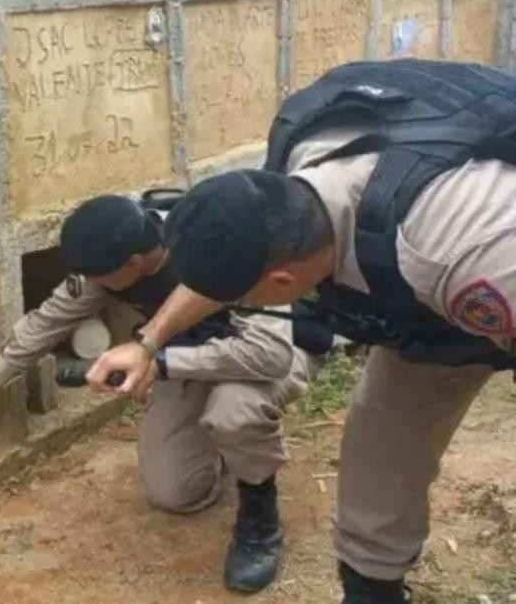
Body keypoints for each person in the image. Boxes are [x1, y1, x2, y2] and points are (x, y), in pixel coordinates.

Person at [85, 58, 516, 603]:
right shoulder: (294, 174)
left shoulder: (457, 249)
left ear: (285, 279)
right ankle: (372, 588)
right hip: (426, 296)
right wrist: (150, 342)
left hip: (482, 251)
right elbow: (237, 259)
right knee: (379, 446)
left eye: (243, 296)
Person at [0, 194, 331, 594]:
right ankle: (222, 446)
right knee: (174, 492)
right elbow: (52, 317)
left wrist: (159, 364)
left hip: (271, 354)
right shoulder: (115, 257)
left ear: (135, 264)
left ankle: (259, 512)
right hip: (189, 356)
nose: (92, 286)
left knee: (234, 412)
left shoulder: (221, 247)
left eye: (100, 278)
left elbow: (270, 356)